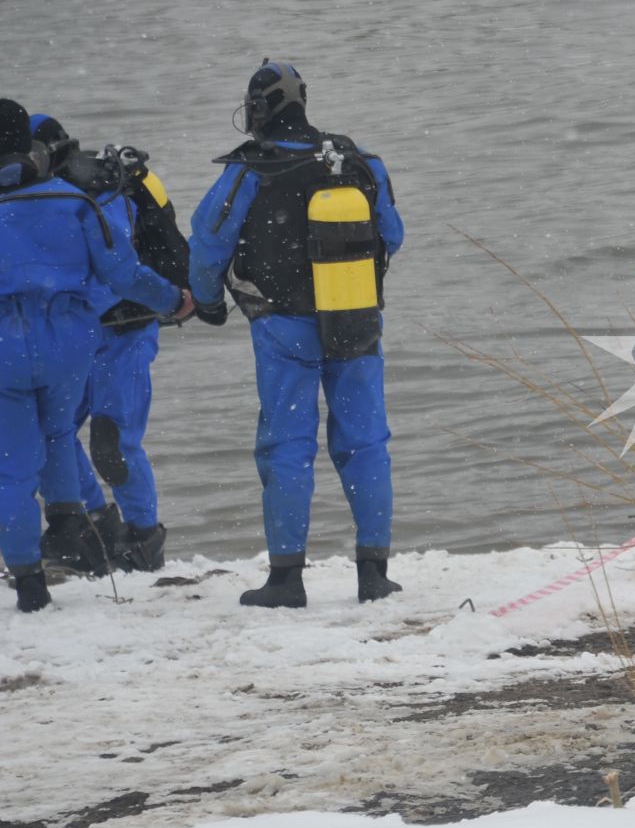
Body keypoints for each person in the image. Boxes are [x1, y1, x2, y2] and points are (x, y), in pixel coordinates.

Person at [188, 61, 403, 608]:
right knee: (366, 443)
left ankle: (286, 579)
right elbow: (393, 235)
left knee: (287, 446)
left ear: (258, 109)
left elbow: (208, 243)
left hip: (283, 324)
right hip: (355, 320)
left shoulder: (248, 170)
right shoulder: (356, 160)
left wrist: (209, 302)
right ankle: (374, 573)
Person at [0, 98, 191, 612]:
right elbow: (120, 273)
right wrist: (176, 300)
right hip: (71, 340)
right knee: (62, 435)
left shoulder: (66, 198)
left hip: (16, 349)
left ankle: (33, 577)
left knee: (18, 468)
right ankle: (77, 525)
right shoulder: (73, 200)